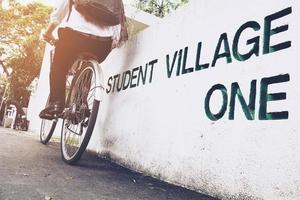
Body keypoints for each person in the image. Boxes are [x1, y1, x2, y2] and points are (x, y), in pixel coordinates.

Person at [39, 0, 128, 119]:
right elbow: (116, 34)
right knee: (88, 63)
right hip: (102, 45)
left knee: (59, 67)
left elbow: (57, 17)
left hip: (75, 37)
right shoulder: (117, 2)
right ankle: (81, 104)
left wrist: (48, 33)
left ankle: (56, 104)